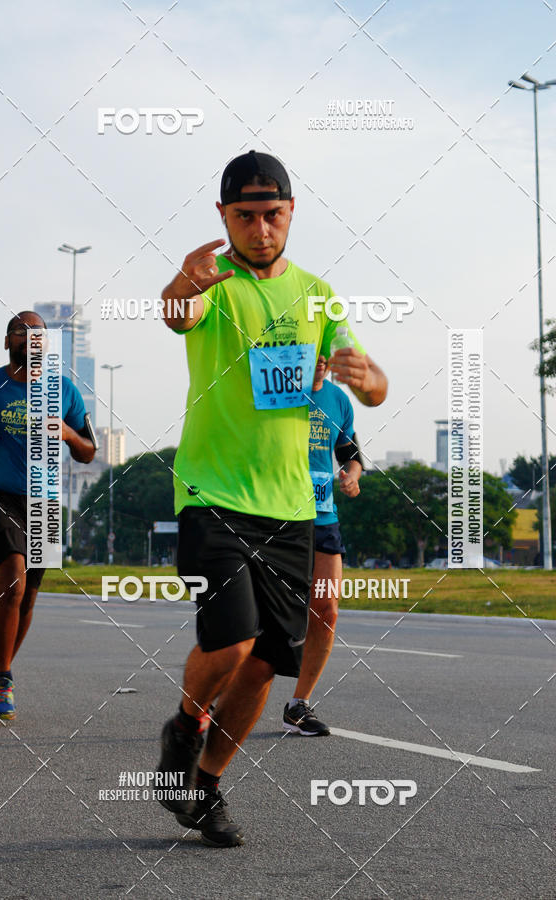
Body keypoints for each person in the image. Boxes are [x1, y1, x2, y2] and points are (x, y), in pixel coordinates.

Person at [157, 150, 388, 847]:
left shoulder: (319, 294)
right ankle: (187, 724)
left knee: (266, 663)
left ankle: (207, 786)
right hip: (212, 492)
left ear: (291, 214)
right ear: (224, 217)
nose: (260, 229)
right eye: (246, 216)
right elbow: (175, 313)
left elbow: (373, 386)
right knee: (231, 640)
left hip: (292, 505)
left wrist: (366, 375)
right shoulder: (215, 283)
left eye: (272, 214)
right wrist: (184, 280)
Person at [0, 311, 96, 720]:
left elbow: (89, 451)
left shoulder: (64, 390)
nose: (31, 338)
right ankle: (4, 680)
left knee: (29, 594)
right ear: (7, 341)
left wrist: (68, 433)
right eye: (22, 331)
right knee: (13, 581)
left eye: (39, 333)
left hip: (45, 501)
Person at [282, 354, 362, 736]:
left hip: (323, 516)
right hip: (275, 513)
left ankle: (299, 704)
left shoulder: (338, 400)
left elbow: (351, 455)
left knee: (326, 607)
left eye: (326, 356)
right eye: (315, 353)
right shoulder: (279, 392)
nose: (322, 361)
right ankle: (223, 691)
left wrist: (352, 477)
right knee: (265, 614)